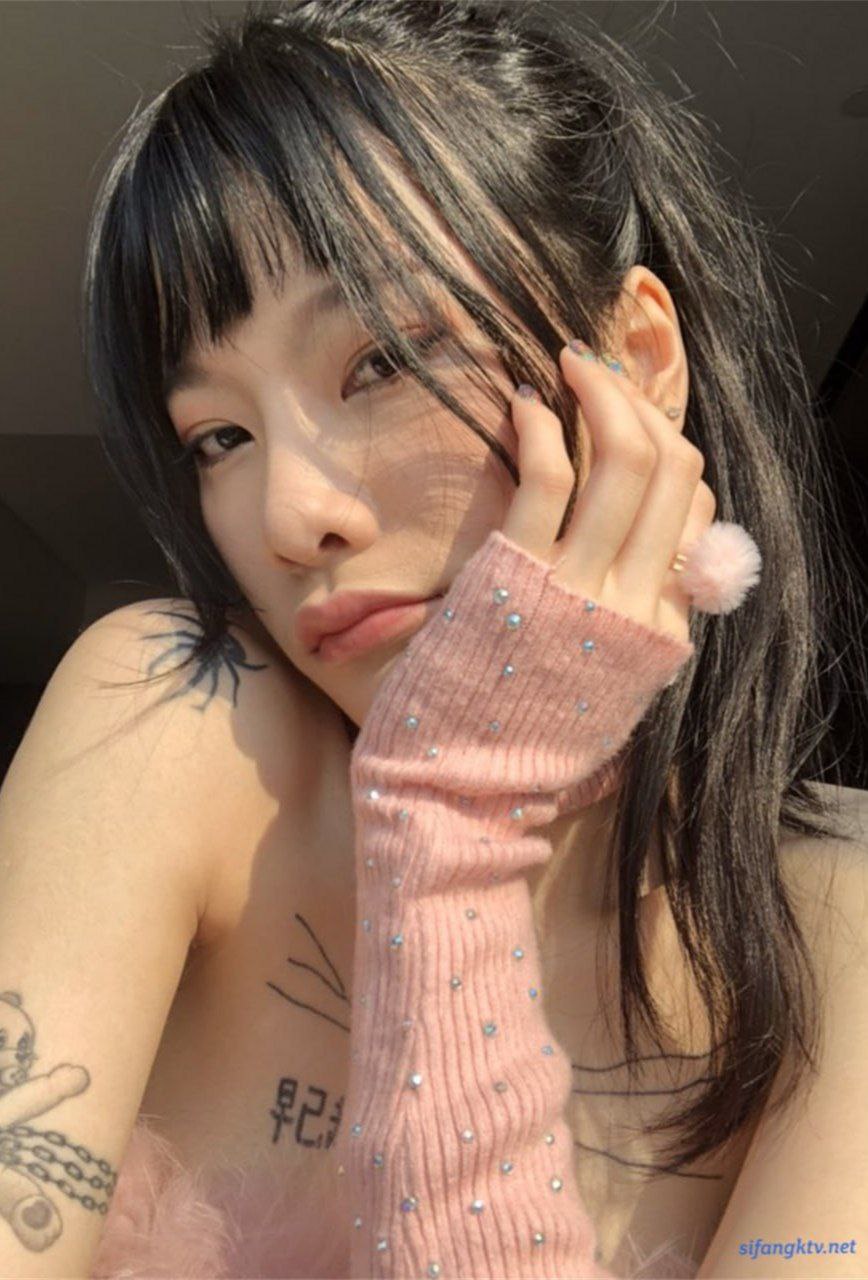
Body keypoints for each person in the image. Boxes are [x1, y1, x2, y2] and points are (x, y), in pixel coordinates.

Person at [0, 1, 865, 1276]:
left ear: (632, 360)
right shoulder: (177, 721)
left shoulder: (835, 925)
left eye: (381, 360)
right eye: (218, 437)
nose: (288, 516)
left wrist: (452, 828)